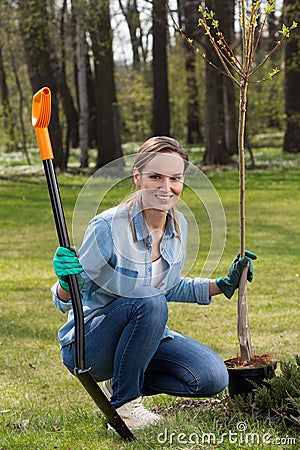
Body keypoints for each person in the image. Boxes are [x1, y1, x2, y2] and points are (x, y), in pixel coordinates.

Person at [52, 136, 256, 430]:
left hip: (141, 333)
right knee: (148, 299)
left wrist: (222, 285)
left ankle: (123, 378)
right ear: (137, 177)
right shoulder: (108, 227)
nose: (166, 187)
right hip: (90, 344)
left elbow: (166, 287)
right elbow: (69, 297)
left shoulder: (178, 226)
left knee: (212, 377)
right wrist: (64, 280)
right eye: (155, 177)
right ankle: (125, 407)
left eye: (175, 178)